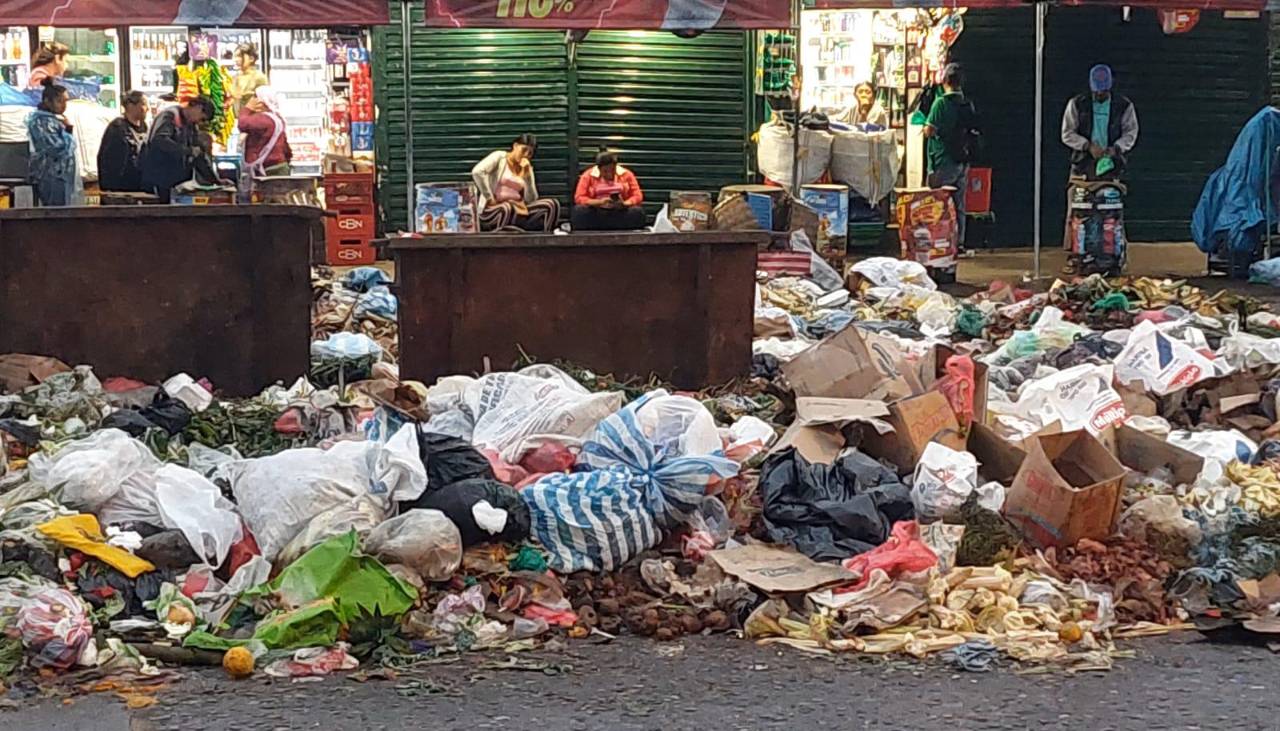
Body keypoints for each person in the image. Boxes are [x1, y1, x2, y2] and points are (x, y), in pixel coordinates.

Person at [923, 62, 979, 251]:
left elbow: (929, 131)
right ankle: (959, 243)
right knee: (959, 204)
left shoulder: (941, 103)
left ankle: (940, 243)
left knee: (938, 203)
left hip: (943, 160)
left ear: (944, 80)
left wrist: (925, 127)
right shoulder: (967, 103)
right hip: (963, 160)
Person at [1061, 64, 1138, 181]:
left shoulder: (1124, 105)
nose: (1100, 94)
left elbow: (1131, 132)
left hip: (1113, 166)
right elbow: (1067, 133)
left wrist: (1116, 148)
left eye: (1104, 90)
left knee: (1112, 196)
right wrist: (1087, 146)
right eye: (1097, 91)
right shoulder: (1077, 103)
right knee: (1078, 196)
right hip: (1082, 165)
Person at [471, 134, 561, 232]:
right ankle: (500, 242)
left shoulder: (526, 168)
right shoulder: (500, 157)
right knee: (507, 208)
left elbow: (531, 200)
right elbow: (477, 172)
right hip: (494, 209)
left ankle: (546, 241)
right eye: (523, 150)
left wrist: (528, 177)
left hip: (518, 209)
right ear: (515, 146)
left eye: (530, 153)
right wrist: (489, 198)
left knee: (552, 205)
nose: (526, 155)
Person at [140, 96, 217, 203]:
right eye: (202, 118)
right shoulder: (170, 116)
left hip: (177, 184)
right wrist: (187, 151)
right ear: (198, 107)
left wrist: (215, 181)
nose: (200, 122)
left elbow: (199, 156)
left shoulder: (192, 126)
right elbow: (159, 140)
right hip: (159, 180)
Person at [26, 79, 79, 206]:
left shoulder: (54, 120)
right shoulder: (41, 121)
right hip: (50, 174)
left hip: (60, 174)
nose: (64, 105)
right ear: (47, 101)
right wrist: (68, 131)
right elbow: (56, 148)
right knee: (55, 213)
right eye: (60, 101)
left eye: (66, 101)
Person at [571, 150, 646, 231]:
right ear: (599, 169)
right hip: (597, 213)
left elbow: (637, 196)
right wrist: (599, 202)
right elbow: (579, 197)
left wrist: (625, 204)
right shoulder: (587, 176)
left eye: (612, 170)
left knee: (638, 212)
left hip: (619, 213)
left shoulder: (627, 175)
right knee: (579, 212)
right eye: (605, 171)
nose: (609, 174)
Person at [97, 91, 150, 192]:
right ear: (130, 105)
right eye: (143, 104)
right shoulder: (117, 128)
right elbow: (110, 162)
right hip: (122, 189)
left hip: (140, 187)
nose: (147, 109)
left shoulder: (145, 128)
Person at [238, 86, 291, 177]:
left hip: (267, 168)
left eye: (255, 97)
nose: (252, 100)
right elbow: (285, 146)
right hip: (279, 165)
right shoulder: (277, 118)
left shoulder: (263, 119)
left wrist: (247, 109)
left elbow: (243, 124)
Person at [229, 43, 270, 113]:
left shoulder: (259, 77)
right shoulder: (234, 77)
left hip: (253, 120)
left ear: (251, 58)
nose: (236, 59)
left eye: (239, 56)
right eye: (235, 56)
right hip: (237, 120)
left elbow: (265, 104)